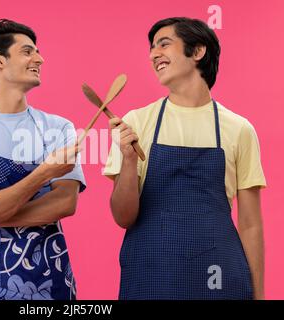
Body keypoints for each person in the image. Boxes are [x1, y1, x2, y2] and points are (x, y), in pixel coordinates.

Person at [103, 17, 266, 300]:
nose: (154, 54)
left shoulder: (239, 129)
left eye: (164, 44)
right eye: (152, 48)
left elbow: (250, 224)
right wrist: (128, 161)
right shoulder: (137, 123)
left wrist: (259, 295)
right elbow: (123, 216)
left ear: (198, 51)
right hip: (150, 271)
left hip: (219, 272)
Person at [0, 19, 86, 300]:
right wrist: (44, 174)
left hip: (51, 278)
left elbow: (65, 203)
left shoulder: (58, 127)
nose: (40, 59)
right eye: (27, 51)